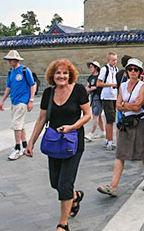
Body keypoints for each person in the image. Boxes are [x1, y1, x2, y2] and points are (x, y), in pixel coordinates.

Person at [25, 59, 91, 231]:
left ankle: (63, 224)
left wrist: (72, 127)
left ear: (70, 75)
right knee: (55, 183)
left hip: (73, 142)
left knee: (64, 184)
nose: (61, 76)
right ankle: (75, 197)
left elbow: (87, 114)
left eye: (65, 73)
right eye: (58, 73)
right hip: (54, 142)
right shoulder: (48, 93)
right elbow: (41, 118)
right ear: (52, 75)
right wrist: (30, 142)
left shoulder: (78, 90)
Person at [98, 58, 144, 196]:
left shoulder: (143, 86)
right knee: (120, 154)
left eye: (136, 69)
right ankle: (113, 186)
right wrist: (126, 105)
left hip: (140, 122)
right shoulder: (123, 86)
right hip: (126, 122)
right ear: (127, 71)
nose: (133, 72)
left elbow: (138, 106)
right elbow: (117, 105)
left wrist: (124, 104)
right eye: (130, 69)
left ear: (140, 72)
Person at [0, 50, 37, 160]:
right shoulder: (11, 72)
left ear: (17, 60)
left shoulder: (25, 70)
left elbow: (32, 85)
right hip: (14, 101)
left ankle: (17, 148)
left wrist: (31, 100)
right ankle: (24, 145)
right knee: (20, 125)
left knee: (16, 125)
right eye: (8, 59)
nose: (9, 61)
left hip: (23, 101)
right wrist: (3, 100)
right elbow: (8, 87)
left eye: (11, 59)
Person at [97, 52, 119, 150]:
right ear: (108, 60)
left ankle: (107, 139)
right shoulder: (104, 69)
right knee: (110, 119)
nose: (115, 62)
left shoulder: (116, 69)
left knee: (112, 118)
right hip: (107, 96)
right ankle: (110, 141)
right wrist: (111, 84)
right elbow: (99, 83)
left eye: (116, 60)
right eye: (113, 60)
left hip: (114, 96)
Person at [85, 61, 105, 141]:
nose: (90, 68)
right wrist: (89, 89)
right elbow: (88, 87)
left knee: (95, 116)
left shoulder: (100, 77)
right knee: (99, 116)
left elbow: (100, 85)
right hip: (93, 97)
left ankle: (91, 133)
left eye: (91, 67)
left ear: (96, 67)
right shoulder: (90, 77)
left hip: (98, 97)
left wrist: (95, 88)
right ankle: (103, 132)